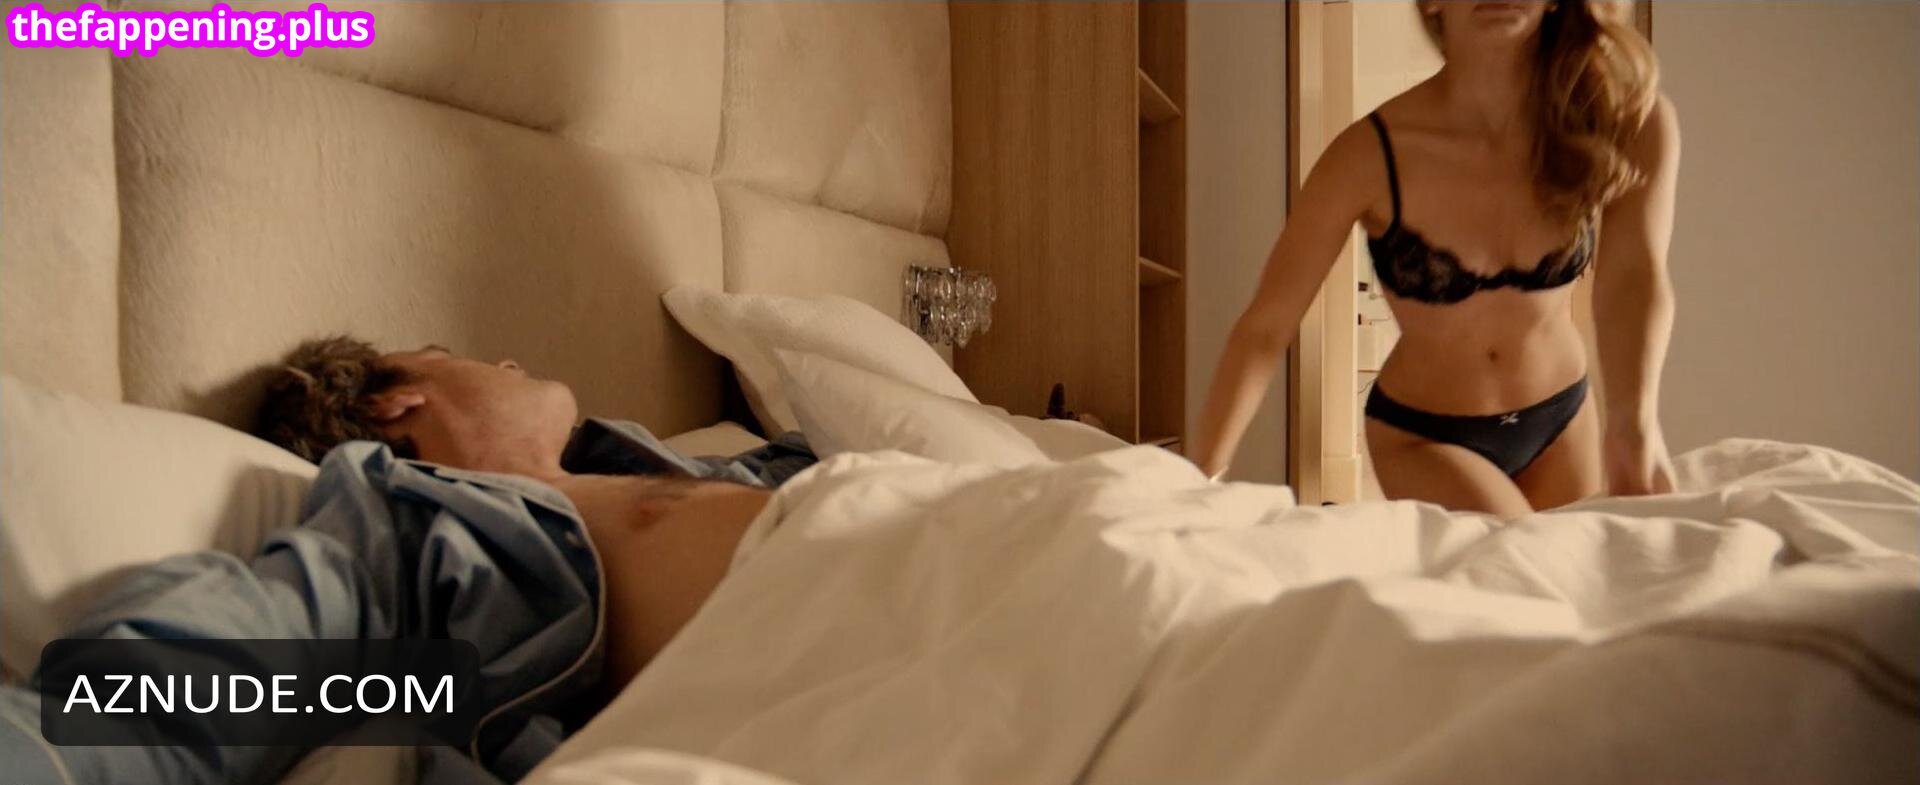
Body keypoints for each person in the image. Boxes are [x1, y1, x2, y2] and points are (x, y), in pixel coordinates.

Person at [2, 337, 799, 785]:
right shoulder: (402, 539)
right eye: (456, 354)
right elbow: (170, 697)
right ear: (395, 400)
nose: (509, 360)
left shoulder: (686, 463)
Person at [1192, 0, 1678, 516]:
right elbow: (1267, 326)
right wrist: (1197, 484)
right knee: (1520, 555)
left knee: (1576, 567)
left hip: (1562, 418)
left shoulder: (1624, 123)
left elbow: (1634, 276)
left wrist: (1634, 420)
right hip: (1424, 435)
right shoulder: (1367, 154)